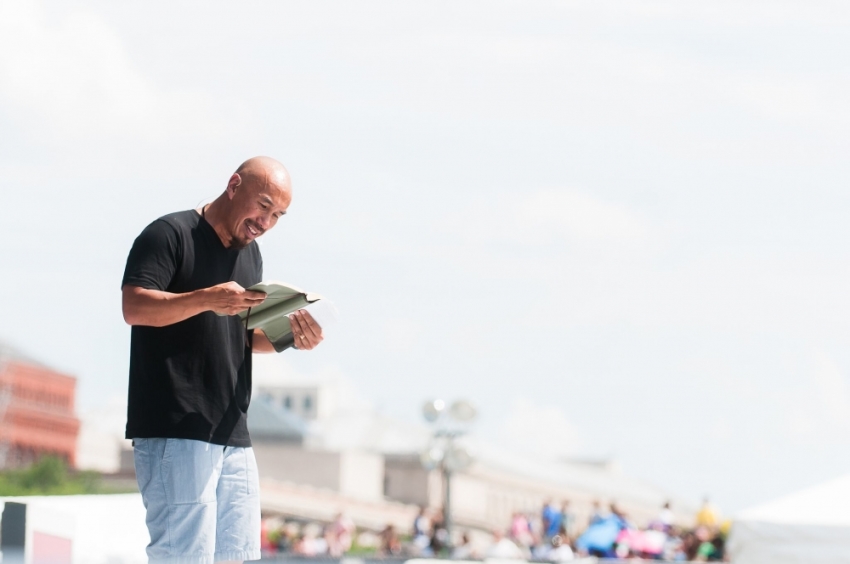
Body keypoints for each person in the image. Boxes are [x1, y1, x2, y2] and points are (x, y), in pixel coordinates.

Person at [122, 157, 324, 564]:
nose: (265, 221)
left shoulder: (251, 257)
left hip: (233, 433)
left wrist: (292, 338)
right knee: (183, 557)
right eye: (262, 206)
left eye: (278, 215)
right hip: (175, 428)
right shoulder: (169, 234)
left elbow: (244, 337)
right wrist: (207, 299)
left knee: (238, 557)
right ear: (234, 185)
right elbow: (134, 307)